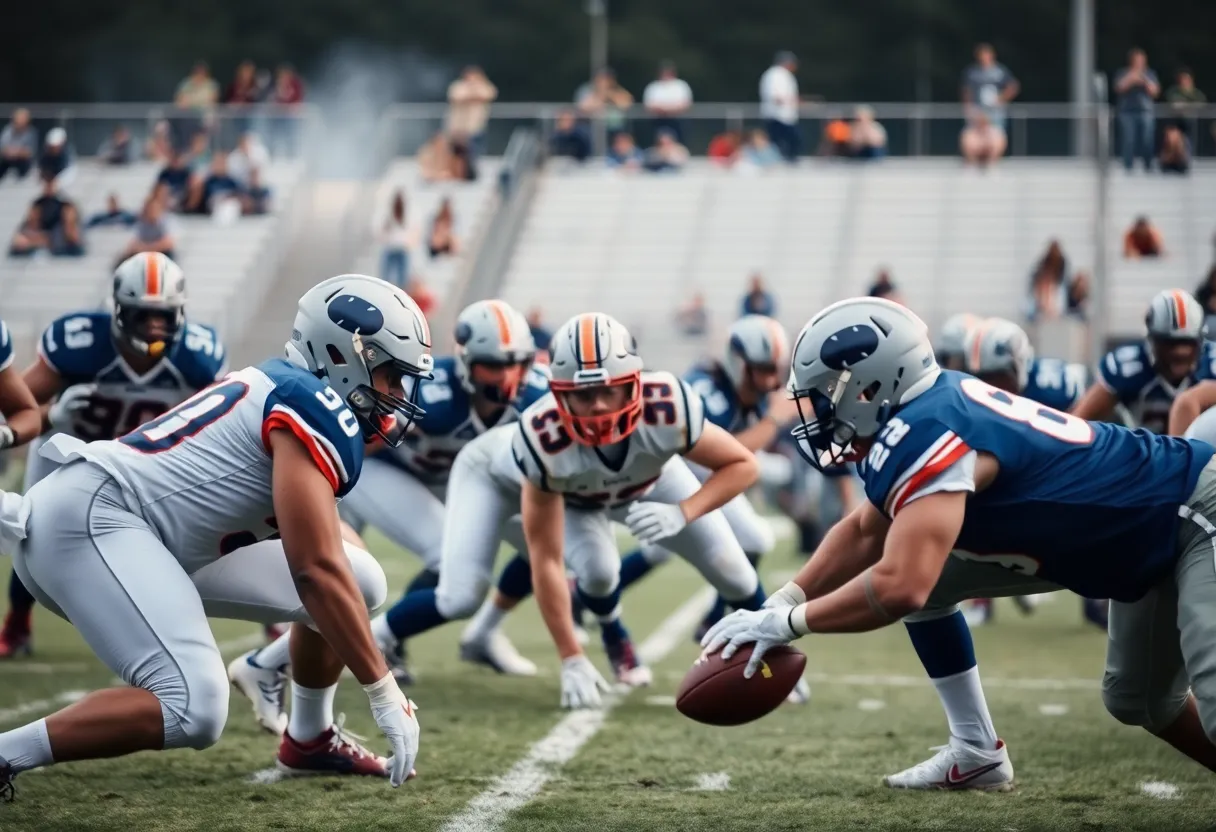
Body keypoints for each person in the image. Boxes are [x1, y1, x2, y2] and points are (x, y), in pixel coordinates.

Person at [702, 295, 1216, 788]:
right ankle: (975, 752)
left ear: (872, 385)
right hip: (1129, 539)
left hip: (1188, 508)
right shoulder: (921, 412)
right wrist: (782, 600)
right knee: (1140, 700)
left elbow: (900, 585)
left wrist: (790, 624)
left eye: (824, 397)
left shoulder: (925, 430)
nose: (818, 414)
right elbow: (862, 531)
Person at [0, 274, 434, 798]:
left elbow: (325, 555)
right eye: (390, 374)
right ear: (343, 354)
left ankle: (309, 737)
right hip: (91, 522)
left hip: (150, 536)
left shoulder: (292, 389)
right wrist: (383, 690)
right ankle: (6, 754)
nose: (395, 394)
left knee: (361, 579)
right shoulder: (314, 404)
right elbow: (313, 570)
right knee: (195, 706)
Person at [378, 313, 767, 704]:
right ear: (559, 394)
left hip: (644, 477)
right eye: (582, 395)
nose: (598, 407)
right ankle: (374, 638)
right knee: (466, 595)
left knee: (733, 570)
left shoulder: (667, 407)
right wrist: (571, 657)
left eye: (609, 390)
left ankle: (774, 649)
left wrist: (685, 510)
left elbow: (742, 464)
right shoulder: (545, 441)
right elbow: (545, 557)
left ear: (635, 384)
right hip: (511, 479)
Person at [230, 301, 543, 732]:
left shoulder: (537, 398)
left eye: (517, 364)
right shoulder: (438, 395)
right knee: (438, 557)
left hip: (451, 479)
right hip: (387, 470)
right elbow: (364, 438)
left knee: (535, 542)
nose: (508, 378)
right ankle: (329, 652)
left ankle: (448, 637)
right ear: (469, 362)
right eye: (493, 366)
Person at [0, 253, 229, 660]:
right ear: (119, 310)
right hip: (66, 449)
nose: (155, 326)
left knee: (181, 539)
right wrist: (54, 414)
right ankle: (17, 624)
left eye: (164, 315)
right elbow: (19, 408)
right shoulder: (81, 343)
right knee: (30, 534)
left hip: (140, 463)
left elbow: (216, 428)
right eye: (143, 315)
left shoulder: (197, 357)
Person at [612, 317, 803, 655]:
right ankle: (722, 622)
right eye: (763, 369)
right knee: (751, 539)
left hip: (706, 477)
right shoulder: (705, 390)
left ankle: (711, 618)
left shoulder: (749, 392)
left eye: (775, 370)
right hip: (680, 474)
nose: (771, 380)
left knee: (661, 550)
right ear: (740, 363)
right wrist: (774, 419)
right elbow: (724, 451)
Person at [959, 318, 1103, 626]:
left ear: (1019, 364)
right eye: (982, 378)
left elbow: (1086, 431)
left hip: (1057, 466)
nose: (991, 388)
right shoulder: (969, 397)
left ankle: (1096, 598)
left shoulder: (1055, 383)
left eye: (997, 377)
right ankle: (984, 599)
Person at [1072, 289, 1212, 436]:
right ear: (1152, 340)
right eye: (1170, 343)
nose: (1180, 352)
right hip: (1146, 455)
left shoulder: (1211, 365)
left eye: (1187, 343)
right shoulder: (1130, 367)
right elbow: (1078, 422)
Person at [379, 190, 418, 290]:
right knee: (385, 278)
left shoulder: (408, 215)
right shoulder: (389, 215)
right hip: (391, 247)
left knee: (402, 278)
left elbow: (413, 230)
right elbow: (382, 231)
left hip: (402, 249)